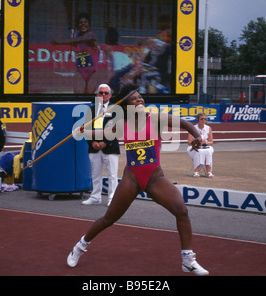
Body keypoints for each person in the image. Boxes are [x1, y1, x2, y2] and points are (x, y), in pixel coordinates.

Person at [67, 83, 209, 276]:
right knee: (109, 218)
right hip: (132, 179)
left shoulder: (156, 119)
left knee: (181, 211)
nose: (140, 100)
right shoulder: (121, 125)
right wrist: (80, 132)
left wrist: (198, 136)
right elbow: (102, 134)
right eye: (135, 98)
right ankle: (80, 246)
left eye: (140, 97)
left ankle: (188, 260)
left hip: (154, 178)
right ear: (125, 105)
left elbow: (184, 123)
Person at [82, 84, 120, 206]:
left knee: (112, 175)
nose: (103, 95)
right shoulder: (91, 109)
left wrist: (105, 143)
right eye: (101, 93)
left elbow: (117, 129)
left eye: (106, 93)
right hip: (94, 148)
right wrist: (92, 142)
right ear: (97, 94)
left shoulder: (116, 109)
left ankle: (112, 198)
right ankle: (95, 196)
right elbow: (86, 128)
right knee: (96, 174)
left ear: (110, 95)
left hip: (110, 148)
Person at [187, 112, 214, 178]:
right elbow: (189, 142)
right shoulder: (192, 128)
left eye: (205, 119)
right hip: (194, 147)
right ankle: (196, 171)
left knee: (208, 151)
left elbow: (211, 142)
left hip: (206, 146)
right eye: (202, 119)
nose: (203, 120)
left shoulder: (208, 128)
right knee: (199, 151)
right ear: (198, 119)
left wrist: (206, 143)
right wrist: (197, 142)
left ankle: (209, 171)